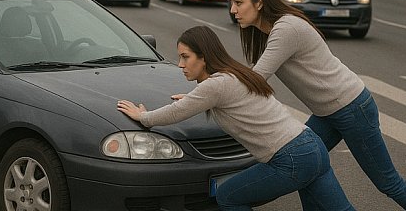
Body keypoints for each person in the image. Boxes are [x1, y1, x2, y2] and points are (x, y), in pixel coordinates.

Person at [228, 0, 406, 211]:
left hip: (352, 108)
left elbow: (256, 79)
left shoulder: (286, 29)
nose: (233, 10)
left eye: (238, 3)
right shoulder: (267, 33)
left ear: (260, 2)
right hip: (327, 112)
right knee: (307, 167)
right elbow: (252, 76)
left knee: (389, 183)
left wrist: (213, 89)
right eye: (232, 3)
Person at [117, 26, 354, 211]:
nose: (180, 64)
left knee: (228, 196)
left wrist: (143, 117)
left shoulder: (215, 86)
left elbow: (175, 113)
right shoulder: (235, 74)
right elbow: (224, 98)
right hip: (312, 146)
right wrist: (193, 98)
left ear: (203, 57)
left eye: (185, 57)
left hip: (290, 158)